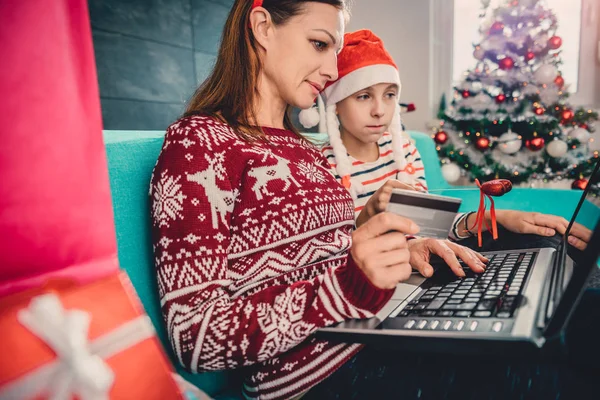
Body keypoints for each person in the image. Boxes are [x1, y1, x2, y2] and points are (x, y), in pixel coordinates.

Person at [149, 2, 596, 399]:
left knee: (570, 304)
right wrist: (346, 285)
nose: (330, 69)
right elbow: (193, 336)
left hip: (384, 327)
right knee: (552, 372)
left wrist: (426, 242)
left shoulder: (305, 148)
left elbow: (338, 252)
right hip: (318, 377)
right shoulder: (200, 143)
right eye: (319, 44)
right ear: (263, 27)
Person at [306, 29, 592, 278]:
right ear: (336, 104)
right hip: (388, 274)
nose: (380, 110)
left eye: (390, 94)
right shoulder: (316, 165)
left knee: (547, 240)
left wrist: (492, 219)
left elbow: (430, 228)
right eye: (363, 96)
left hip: (432, 252)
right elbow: (332, 253)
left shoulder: (403, 149)